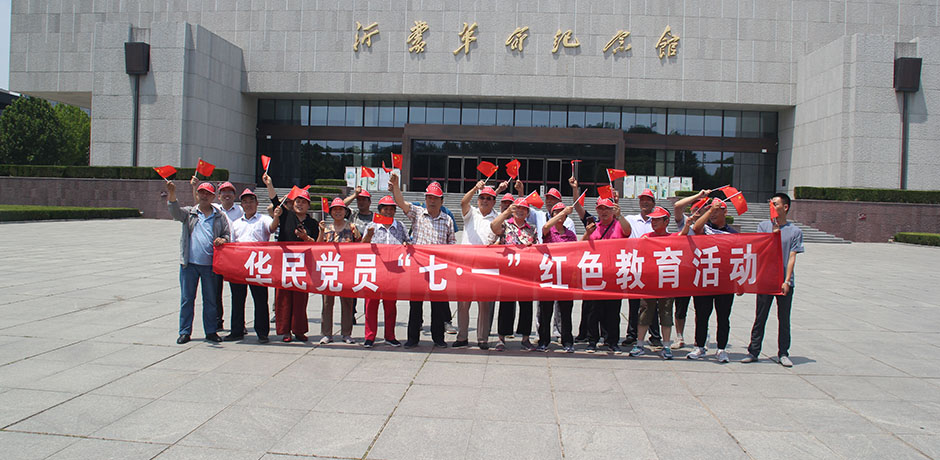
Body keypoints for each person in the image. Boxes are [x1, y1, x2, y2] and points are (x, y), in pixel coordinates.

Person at [389, 173, 456, 348]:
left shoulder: (447, 220)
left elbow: (452, 244)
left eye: (435, 198)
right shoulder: (418, 213)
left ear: (441, 201)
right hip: (418, 267)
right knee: (415, 304)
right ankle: (412, 338)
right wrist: (396, 186)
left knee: (438, 305)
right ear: (425, 199)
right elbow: (401, 203)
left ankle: (438, 338)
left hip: (438, 268)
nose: (432, 201)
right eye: (429, 198)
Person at [742, 192, 804, 367]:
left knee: (784, 319)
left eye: (775, 204)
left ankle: (783, 353)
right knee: (760, 317)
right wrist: (773, 235)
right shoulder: (763, 226)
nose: (773, 206)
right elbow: (760, 250)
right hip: (765, 280)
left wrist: (787, 281)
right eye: (771, 203)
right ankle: (754, 351)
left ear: (785, 207)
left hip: (783, 282)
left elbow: (792, 257)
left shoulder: (795, 231)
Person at [166, 180, 230, 344]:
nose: (204, 196)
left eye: (208, 194)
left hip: (210, 266)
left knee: (210, 300)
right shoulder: (190, 213)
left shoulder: (219, 216)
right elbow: (175, 212)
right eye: (202, 193)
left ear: (213, 197)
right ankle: (185, 331)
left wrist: (223, 240)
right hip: (190, 264)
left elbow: (226, 234)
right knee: (187, 299)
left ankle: (211, 331)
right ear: (197, 194)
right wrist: (172, 194)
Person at [684, 197, 739, 362]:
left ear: (725, 211)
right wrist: (709, 211)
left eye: (716, 210)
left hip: (725, 281)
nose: (713, 214)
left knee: (723, 317)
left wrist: (739, 282)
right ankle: (699, 347)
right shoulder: (705, 229)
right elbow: (696, 227)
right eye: (710, 210)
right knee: (701, 315)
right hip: (704, 279)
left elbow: (738, 258)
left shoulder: (733, 234)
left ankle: (721, 349)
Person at [454, 180, 504, 349]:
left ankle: (482, 339)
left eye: (489, 198)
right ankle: (462, 337)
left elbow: (501, 239)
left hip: (486, 265)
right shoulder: (471, 213)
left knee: (484, 305)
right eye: (482, 197)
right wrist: (476, 187)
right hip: (466, 263)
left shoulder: (497, 217)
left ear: (494, 201)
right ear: (478, 199)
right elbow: (463, 202)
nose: (485, 200)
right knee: (463, 303)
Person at [224, 188, 275, 343]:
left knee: (260, 299)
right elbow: (231, 243)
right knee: (237, 299)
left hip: (258, 264)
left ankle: (262, 332)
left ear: (257, 203)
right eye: (245, 202)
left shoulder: (263, 219)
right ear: (242, 205)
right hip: (239, 264)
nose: (248, 204)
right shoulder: (235, 223)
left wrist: (276, 216)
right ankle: (237, 331)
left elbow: (272, 228)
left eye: (251, 201)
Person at [269, 185, 319, 343]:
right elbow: (275, 201)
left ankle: (299, 330)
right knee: (283, 298)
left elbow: (317, 244)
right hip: (285, 263)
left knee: (300, 299)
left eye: (303, 202)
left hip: (303, 265)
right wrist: (269, 184)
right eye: (297, 201)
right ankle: (285, 331)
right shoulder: (286, 216)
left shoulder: (313, 223)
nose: (300, 204)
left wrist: (305, 238)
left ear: (308, 205)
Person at [582, 196, 631, 354]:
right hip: (596, 274)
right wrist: (587, 234)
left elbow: (628, 232)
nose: (603, 212)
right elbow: (581, 246)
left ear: (612, 211)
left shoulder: (618, 225)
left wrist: (620, 215)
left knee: (613, 311)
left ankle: (612, 341)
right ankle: (592, 341)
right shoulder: (593, 227)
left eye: (607, 209)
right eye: (600, 209)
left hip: (614, 274)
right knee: (593, 311)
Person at [361, 195, 410, 348]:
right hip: (375, 271)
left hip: (393, 272)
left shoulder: (400, 226)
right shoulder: (372, 226)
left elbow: (409, 243)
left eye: (391, 209)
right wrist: (369, 235)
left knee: (390, 306)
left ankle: (390, 336)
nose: (388, 211)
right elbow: (362, 246)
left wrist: (406, 245)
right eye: (385, 209)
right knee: (371, 305)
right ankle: (370, 337)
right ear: (380, 211)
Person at [629, 206, 677, 359]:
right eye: (652, 219)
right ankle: (639, 344)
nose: (653, 222)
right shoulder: (646, 238)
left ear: (666, 221)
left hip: (667, 282)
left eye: (657, 219)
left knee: (666, 314)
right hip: (649, 283)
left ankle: (666, 346)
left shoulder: (674, 238)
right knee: (644, 312)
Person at [490, 198, 537, 351]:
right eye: (518, 208)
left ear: (528, 212)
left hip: (526, 272)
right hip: (508, 272)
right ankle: (501, 338)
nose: (521, 211)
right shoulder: (506, 225)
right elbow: (493, 226)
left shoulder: (532, 229)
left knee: (526, 306)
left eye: (524, 209)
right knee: (506, 305)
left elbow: (537, 249)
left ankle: (525, 338)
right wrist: (506, 213)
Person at [671, 189, 714, 350]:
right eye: (695, 209)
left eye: (701, 210)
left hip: (702, 272)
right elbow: (677, 206)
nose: (697, 212)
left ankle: (702, 336)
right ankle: (679, 337)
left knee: (702, 309)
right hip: (684, 271)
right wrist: (699, 196)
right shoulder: (684, 222)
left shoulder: (709, 228)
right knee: (680, 307)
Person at [316, 197, 362, 344]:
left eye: (340, 209)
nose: (338, 212)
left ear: (345, 211)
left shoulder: (352, 227)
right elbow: (318, 246)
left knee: (347, 303)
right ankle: (326, 334)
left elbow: (361, 245)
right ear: (330, 212)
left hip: (347, 269)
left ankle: (346, 333)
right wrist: (321, 231)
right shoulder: (326, 228)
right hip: (329, 269)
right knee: (327, 303)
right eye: (335, 210)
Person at [622, 188, 663, 349]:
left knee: (652, 304)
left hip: (652, 268)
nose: (644, 202)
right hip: (635, 266)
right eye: (642, 199)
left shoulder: (657, 221)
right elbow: (622, 227)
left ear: (653, 203)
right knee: (634, 303)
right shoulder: (631, 219)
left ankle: (655, 336)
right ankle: (631, 335)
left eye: (648, 199)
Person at [536, 202, 578, 352]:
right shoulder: (548, 231)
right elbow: (546, 227)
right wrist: (562, 212)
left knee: (565, 311)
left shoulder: (570, 234)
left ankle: (567, 341)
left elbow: (575, 252)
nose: (560, 215)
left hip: (565, 277)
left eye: (562, 212)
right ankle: (543, 341)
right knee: (545, 311)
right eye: (556, 212)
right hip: (548, 275)